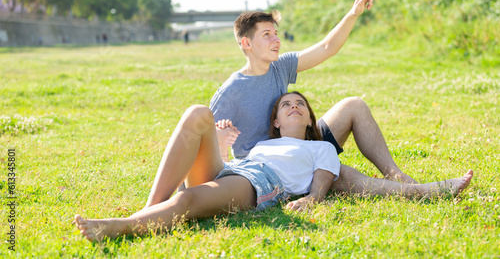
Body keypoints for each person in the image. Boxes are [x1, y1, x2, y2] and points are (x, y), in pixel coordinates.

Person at [74, 92, 473, 242]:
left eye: (301, 104)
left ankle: (122, 226)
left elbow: (325, 178)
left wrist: (314, 199)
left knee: (192, 200)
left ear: (311, 120)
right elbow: (233, 164)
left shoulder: (318, 149)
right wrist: (223, 145)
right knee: (197, 113)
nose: (294, 105)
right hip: (239, 168)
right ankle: (146, 209)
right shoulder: (264, 142)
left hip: (258, 183)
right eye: (286, 105)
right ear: (277, 122)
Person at [209, 0, 418, 191]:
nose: (277, 40)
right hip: (268, 168)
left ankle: (395, 174)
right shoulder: (230, 92)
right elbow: (208, 144)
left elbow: (327, 47)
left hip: (301, 144)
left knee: (354, 105)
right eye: (267, 35)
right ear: (247, 43)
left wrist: (353, 14)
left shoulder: (280, 66)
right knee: (341, 175)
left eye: (275, 33)